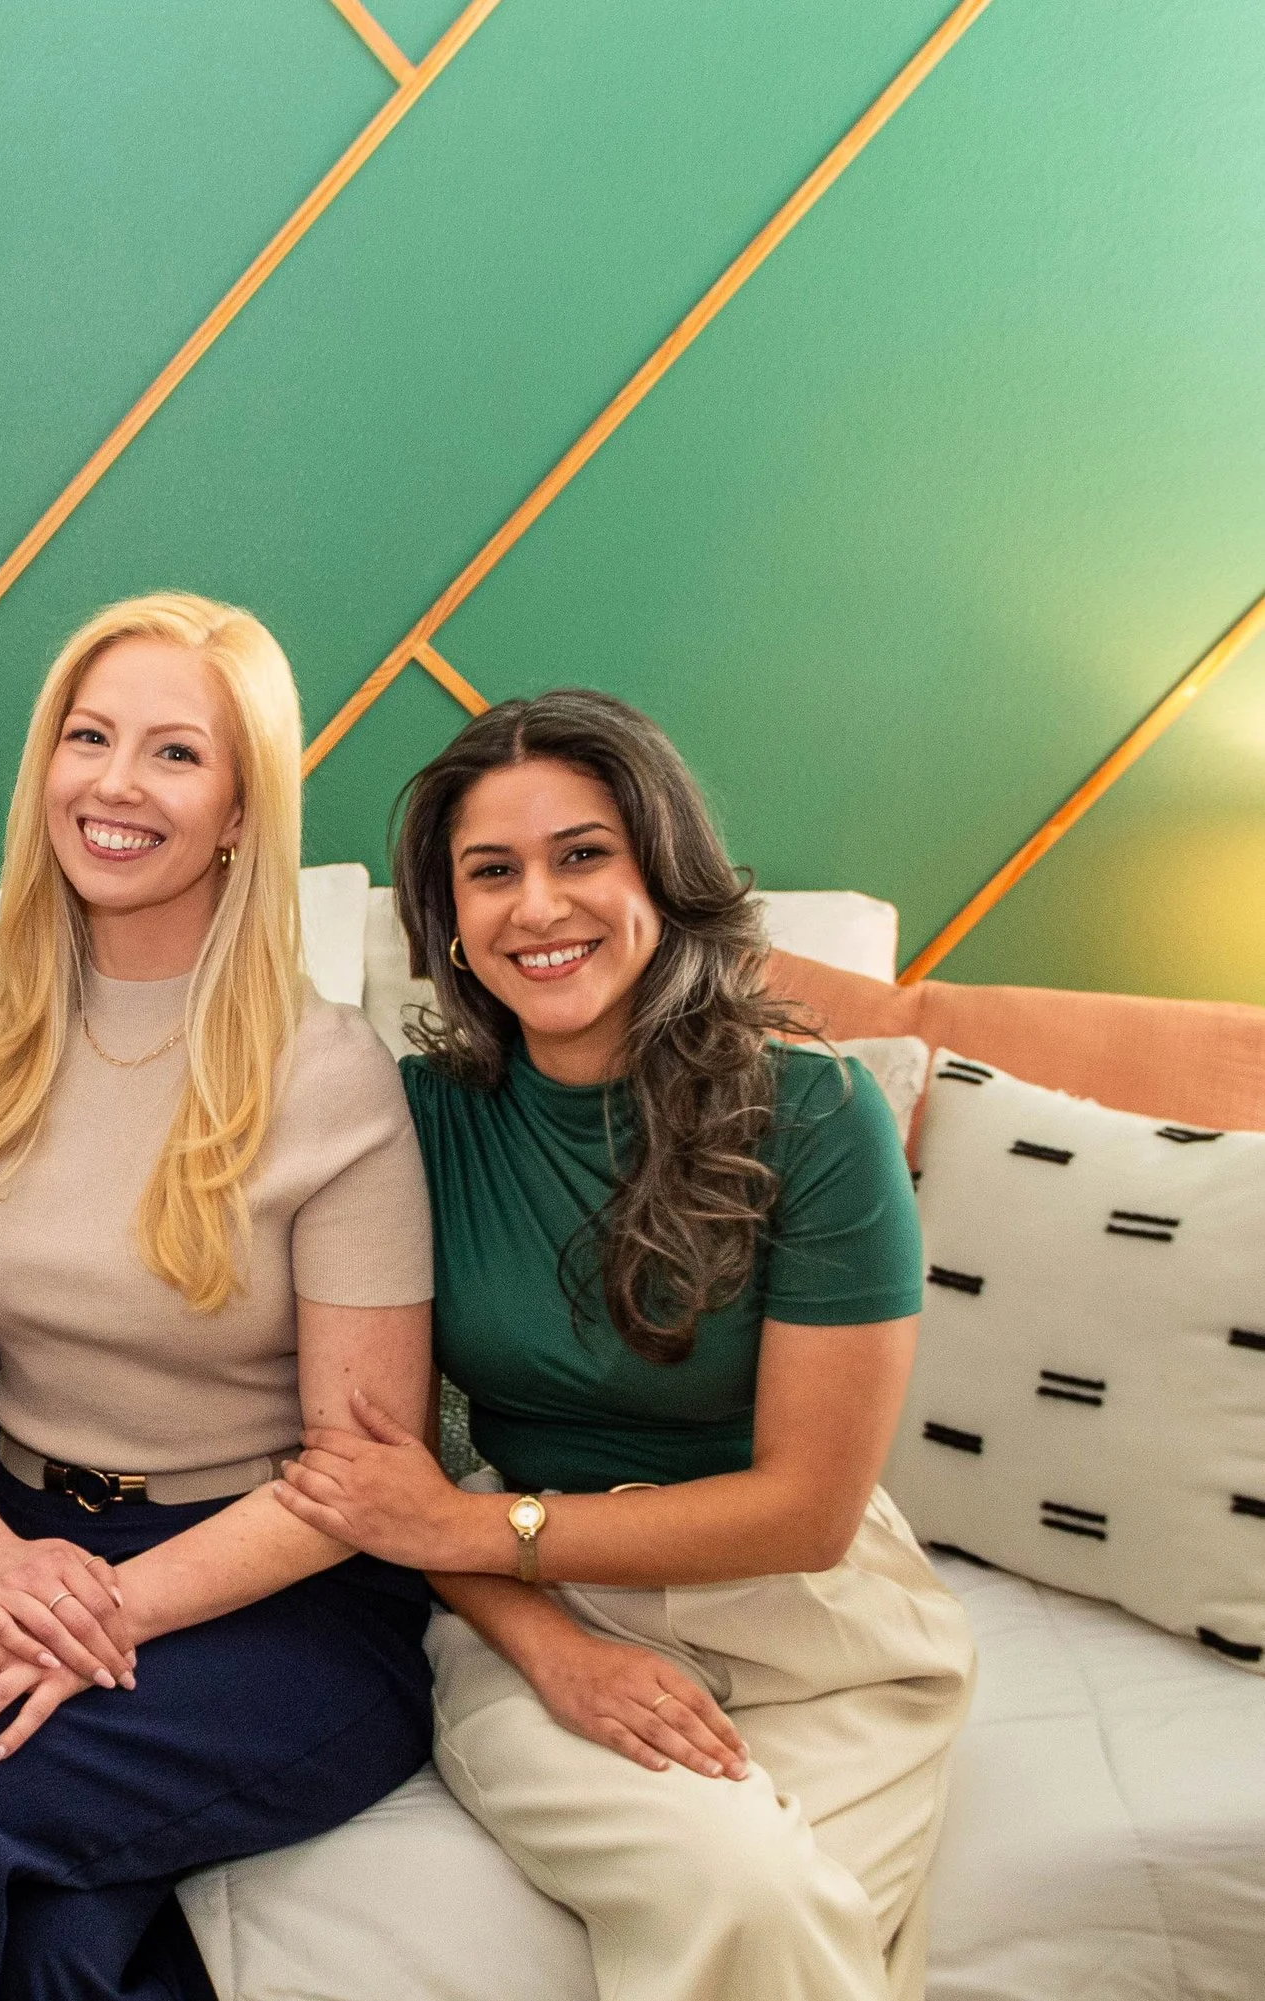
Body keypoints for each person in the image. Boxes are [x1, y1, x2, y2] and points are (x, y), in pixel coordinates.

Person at [0, 593, 438, 2001]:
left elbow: (362, 1470)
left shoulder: (331, 1080)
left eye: (176, 755)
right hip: (22, 1544)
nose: (116, 785)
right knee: (57, 1957)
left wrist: (113, 1613)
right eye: (89, 738)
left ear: (246, 814)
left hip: (277, 1596)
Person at [272, 689, 975, 2001]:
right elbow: (386, 1483)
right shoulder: (409, 1123)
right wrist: (556, 1648)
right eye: (491, 873)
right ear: (451, 928)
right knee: (748, 1893)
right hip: (535, 1614)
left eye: (582, 854)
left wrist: (476, 1531)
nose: (537, 907)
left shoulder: (815, 1116)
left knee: (789, 1934)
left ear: (666, 869)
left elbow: (809, 1511)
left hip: (811, 1622)